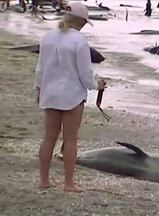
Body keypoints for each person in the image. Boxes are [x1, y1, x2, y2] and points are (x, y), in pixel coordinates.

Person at [35, 2, 106, 192]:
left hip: (49, 93)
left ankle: (44, 180)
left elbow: (40, 68)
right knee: (71, 139)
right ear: (81, 21)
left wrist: (39, 88)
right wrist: (96, 85)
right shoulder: (79, 41)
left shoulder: (48, 37)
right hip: (72, 95)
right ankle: (68, 183)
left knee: (48, 138)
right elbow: (84, 74)